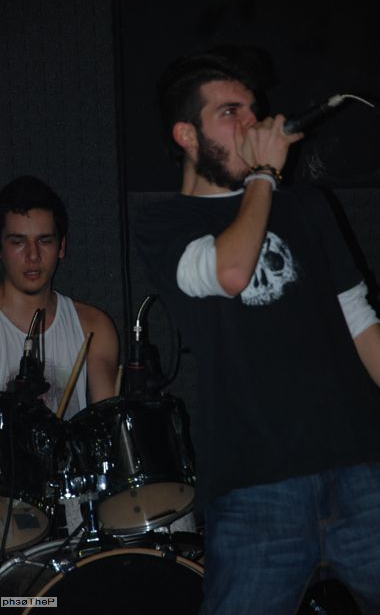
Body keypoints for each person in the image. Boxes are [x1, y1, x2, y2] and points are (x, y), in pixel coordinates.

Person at [135, 45, 380, 615]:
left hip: (361, 468)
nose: (253, 124)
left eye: (254, 111)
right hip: (256, 490)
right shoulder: (166, 222)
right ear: (187, 135)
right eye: (230, 113)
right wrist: (265, 174)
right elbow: (230, 272)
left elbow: (362, 324)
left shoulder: (308, 207)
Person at [0, 175, 119, 413]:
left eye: (44, 241)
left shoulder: (94, 327)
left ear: (61, 247)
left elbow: (109, 423)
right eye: (18, 242)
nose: (33, 256)